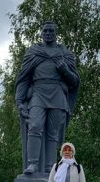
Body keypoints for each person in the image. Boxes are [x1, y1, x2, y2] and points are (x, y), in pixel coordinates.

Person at [15, 21, 80, 174]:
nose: (48, 33)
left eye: (51, 31)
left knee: (53, 133)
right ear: (41, 33)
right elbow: (24, 78)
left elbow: (75, 82)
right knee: (35, 126)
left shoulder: (65, 54)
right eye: (45, 31)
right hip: (38, 93)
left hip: (57, 94)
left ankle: (50, 168)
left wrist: (65, 70)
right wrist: (19, 101)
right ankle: (32, 164)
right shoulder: (34, 52)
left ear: (56, 33)